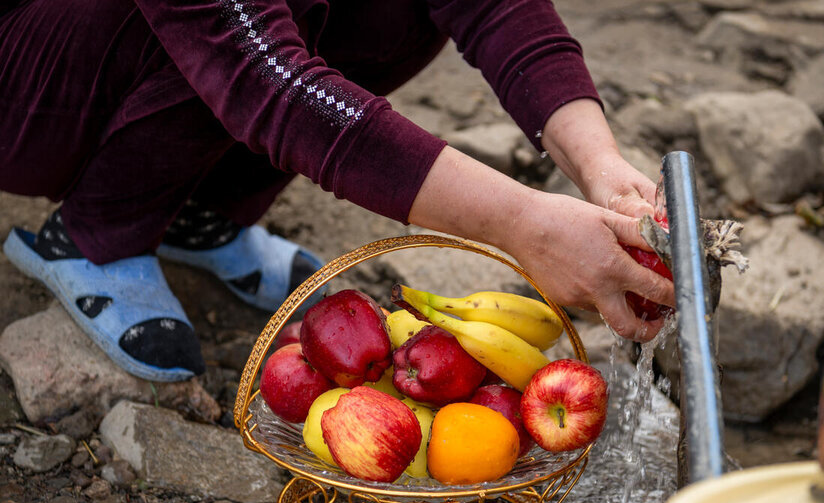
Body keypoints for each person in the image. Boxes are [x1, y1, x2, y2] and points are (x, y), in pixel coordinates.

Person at [0, 0, 675, 382]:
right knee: (240, 39)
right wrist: (523, 223)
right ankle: (95, 239)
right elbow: (266, 80)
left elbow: (498, 10)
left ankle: (201, 214)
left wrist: (599, 163)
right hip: (26, 84)